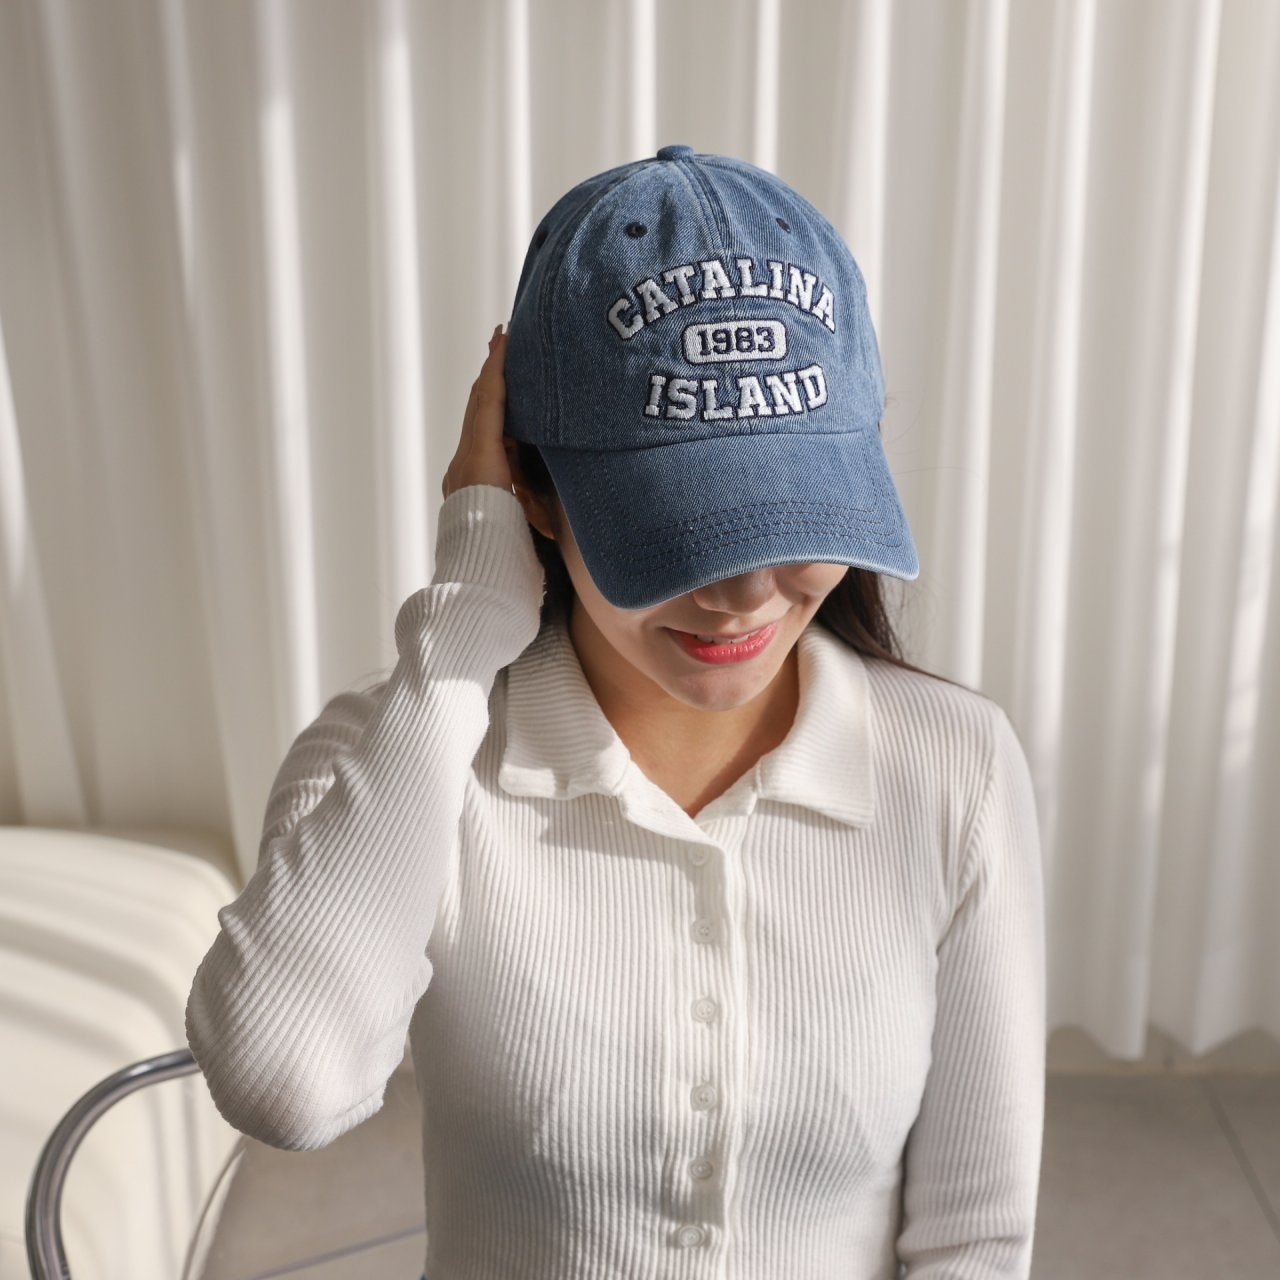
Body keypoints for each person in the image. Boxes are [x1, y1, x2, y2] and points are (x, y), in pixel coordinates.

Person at [185, 144, 1046, 1280]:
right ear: (529, 491)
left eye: (794, 514)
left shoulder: (956, 765)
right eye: (674, 528)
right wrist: (461, 626)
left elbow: (976, 1239)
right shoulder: (402, 753)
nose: (743, 595)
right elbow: (285, 1082)